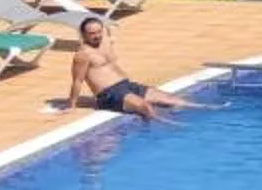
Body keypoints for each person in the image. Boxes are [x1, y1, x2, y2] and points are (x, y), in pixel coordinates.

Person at [63, 16, 201, 121]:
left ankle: (208, 109)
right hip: (109, 94)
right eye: (92, 33)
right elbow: (77, 81)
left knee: (172, 99)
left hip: (126, 85)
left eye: (99, 31)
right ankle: (173, 127)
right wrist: (72, 105)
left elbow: (112, 61)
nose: (97, 36)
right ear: (83, 35)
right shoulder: (82, 55)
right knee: (145, 107)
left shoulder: (106, 42)